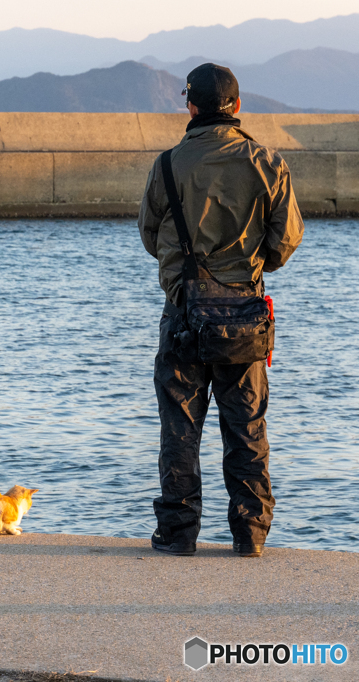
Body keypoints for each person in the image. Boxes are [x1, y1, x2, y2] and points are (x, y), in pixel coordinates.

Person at [138, 63, 304, 558]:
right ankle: (249, 535)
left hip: (184, 314)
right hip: (245, 316)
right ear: (237, 106)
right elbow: (286, 240)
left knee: (180, 428)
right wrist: (251, 267)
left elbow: (150, 237)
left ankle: (178, 534)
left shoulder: (167, 165)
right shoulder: (267, 162)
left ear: (190, 104)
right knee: (247, 427)